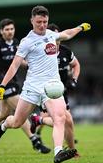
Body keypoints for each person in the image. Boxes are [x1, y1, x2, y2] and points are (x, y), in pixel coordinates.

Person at [0, 6, 91, 163]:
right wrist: (2, 86)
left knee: (60, 118)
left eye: (45, 22)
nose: (42, 25)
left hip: (52, 86)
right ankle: (4, 126)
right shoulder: (26, 42)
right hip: (32, 87)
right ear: (32, 21)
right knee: (17, 122)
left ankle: (58, 152)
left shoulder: (52, 35)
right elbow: (14, 65)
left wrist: (80, 27)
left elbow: (67, 33)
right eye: (39, 22)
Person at [0, 18, 51, 153]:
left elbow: (19, 62)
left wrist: (32, 65)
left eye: (12, 29)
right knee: (21, 112)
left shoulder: (16, 43)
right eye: (7, 29)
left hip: (13, 82)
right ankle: (35, 141)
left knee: (4, 114)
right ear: (1, 31)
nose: (10, 32)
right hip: (3, 84)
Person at [30, 23, 81, 154]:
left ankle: (38, 120)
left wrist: (74, 79)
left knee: (65, 121)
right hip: (46, 92)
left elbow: (76, 65)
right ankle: (70, 150)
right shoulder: (42, 52)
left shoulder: (65, 51)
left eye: (58, 37)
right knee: (64, 120)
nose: (57, 40)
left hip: (61, 92)